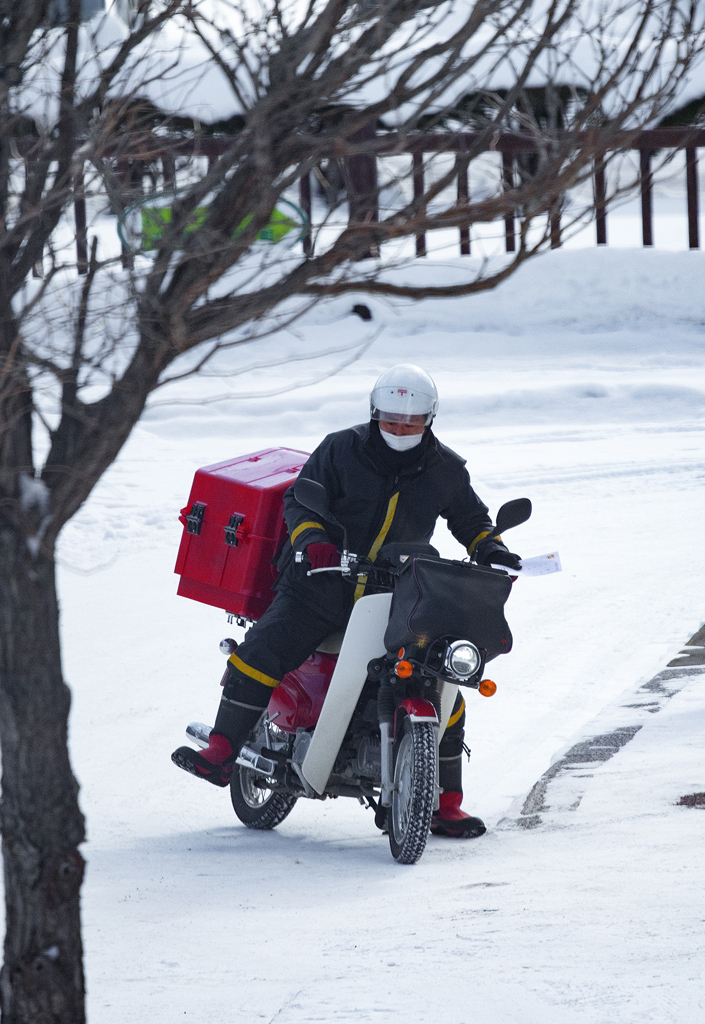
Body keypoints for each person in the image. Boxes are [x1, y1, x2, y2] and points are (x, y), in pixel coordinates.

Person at [172, 364, 521, 838]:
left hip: (396, 592)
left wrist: (491, 548)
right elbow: (302, 500)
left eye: (412, 422)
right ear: (375, 414)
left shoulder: (445, 470)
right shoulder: (341, 449)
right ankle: (221, 751)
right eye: (392, 421)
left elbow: (471, 520)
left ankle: (443, 803)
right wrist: (313, 540)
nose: (401, 430)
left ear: (429, 420)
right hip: (321, 582)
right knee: (267, 646)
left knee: (443, 682)